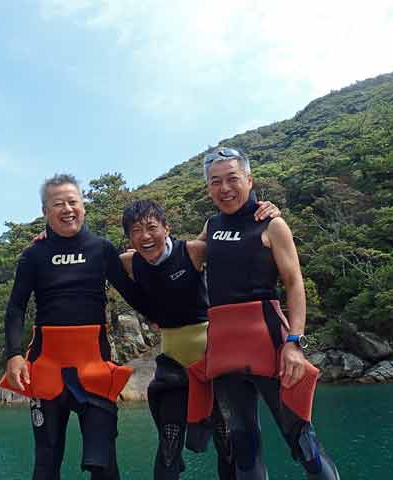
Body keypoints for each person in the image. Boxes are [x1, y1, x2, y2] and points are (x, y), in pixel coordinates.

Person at [192, 147, 340, 479]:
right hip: (225, 350)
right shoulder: (211, 226)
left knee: (302, 441)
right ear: (208, 188)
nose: (225, 188)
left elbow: (294, 283)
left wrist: (295, 343)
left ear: (249, 180)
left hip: (269, 343)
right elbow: (182, 258)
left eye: (232, 179)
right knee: (243, 446)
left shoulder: (272, 224)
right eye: (215, 182)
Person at [2, 173, 153, 480]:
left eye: (73, 201)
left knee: (103, 463)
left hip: (94, 369)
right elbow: (16, 306)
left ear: (83, 206)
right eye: (58, 204)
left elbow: (133, 293)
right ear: (45, 211)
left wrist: (163, 312)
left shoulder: (102, 249)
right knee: (46, 463)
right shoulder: (33, 255)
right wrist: (14, 354)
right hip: (46, 368)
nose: (68, 209)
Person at [119, 198, 280, 480]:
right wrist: (47, 237)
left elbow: (240, 243)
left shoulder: (193, 252)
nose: (145, 236)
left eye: (151, 227)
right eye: (136, 231)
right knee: (169, 444)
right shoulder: (129, 263)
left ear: (167, 228)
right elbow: (88, 257)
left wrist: (266, 217)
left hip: (213, 359)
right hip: (172, 364)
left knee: (226, 440)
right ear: (129, 238)